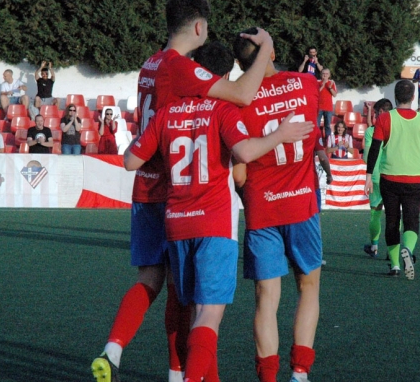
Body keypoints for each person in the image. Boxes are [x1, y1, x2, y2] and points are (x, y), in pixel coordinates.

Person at [91, 0, 279, 382]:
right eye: (207, 26)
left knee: (153, 280)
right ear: (198, 27)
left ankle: (115, 349)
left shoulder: (150, 63)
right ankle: (178, 373)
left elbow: (135, 150)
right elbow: (241, 95)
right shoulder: (179, 67)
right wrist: (266, 51)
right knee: (189, 297)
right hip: (176, 190)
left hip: (146, 189)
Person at [124, 41, 313, 382]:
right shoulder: (226, 111)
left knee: (188, 306)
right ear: (226, 75)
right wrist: (282, 134)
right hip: (218, 222)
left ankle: (177, 371)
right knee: (209, 314)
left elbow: (129, 160)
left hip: (177, 222)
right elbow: (243, 155)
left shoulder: (168, 113)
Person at [233, 26, 322, 382]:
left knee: (266, 298)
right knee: (309, 286)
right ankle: (299, 373)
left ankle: (267, 378)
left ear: (240, 62)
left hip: (262, 207)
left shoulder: (237, 102)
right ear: (270, 52)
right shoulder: (306, 84)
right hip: (302, 204)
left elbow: (239, 175)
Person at [364, 80, 420, 280]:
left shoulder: (385, 118)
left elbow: (375, 148)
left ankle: (395, 265)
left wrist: (368, 176)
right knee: (412, 220)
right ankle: (409, 251)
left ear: (395, 97)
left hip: (389, 178)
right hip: (413, 178)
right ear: (413, 98)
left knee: (392, 221)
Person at [362, 98, 393, 258]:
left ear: (381, 112)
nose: (374, 116)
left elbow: (367, 157)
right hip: (393, 175)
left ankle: (374, 247)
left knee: (376, 212)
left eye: (375, 113)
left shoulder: (370, 131)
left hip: (375, 177)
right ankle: (392, 250)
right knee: (394, 213)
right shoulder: (396, 130)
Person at [316, 68, 337, 139]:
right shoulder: (317, 82)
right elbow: (316, 93)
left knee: (327, 126)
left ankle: (328, 141)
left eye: (326, 74)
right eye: (323, 74)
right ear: (321, 74)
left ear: (329, 75)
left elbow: (334, 94)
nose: (325, 75)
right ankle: (317, 140)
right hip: (319, 107)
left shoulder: (332, 83)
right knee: (317, 125)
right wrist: (323, 84)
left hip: (328, 108)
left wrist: (330, 87)